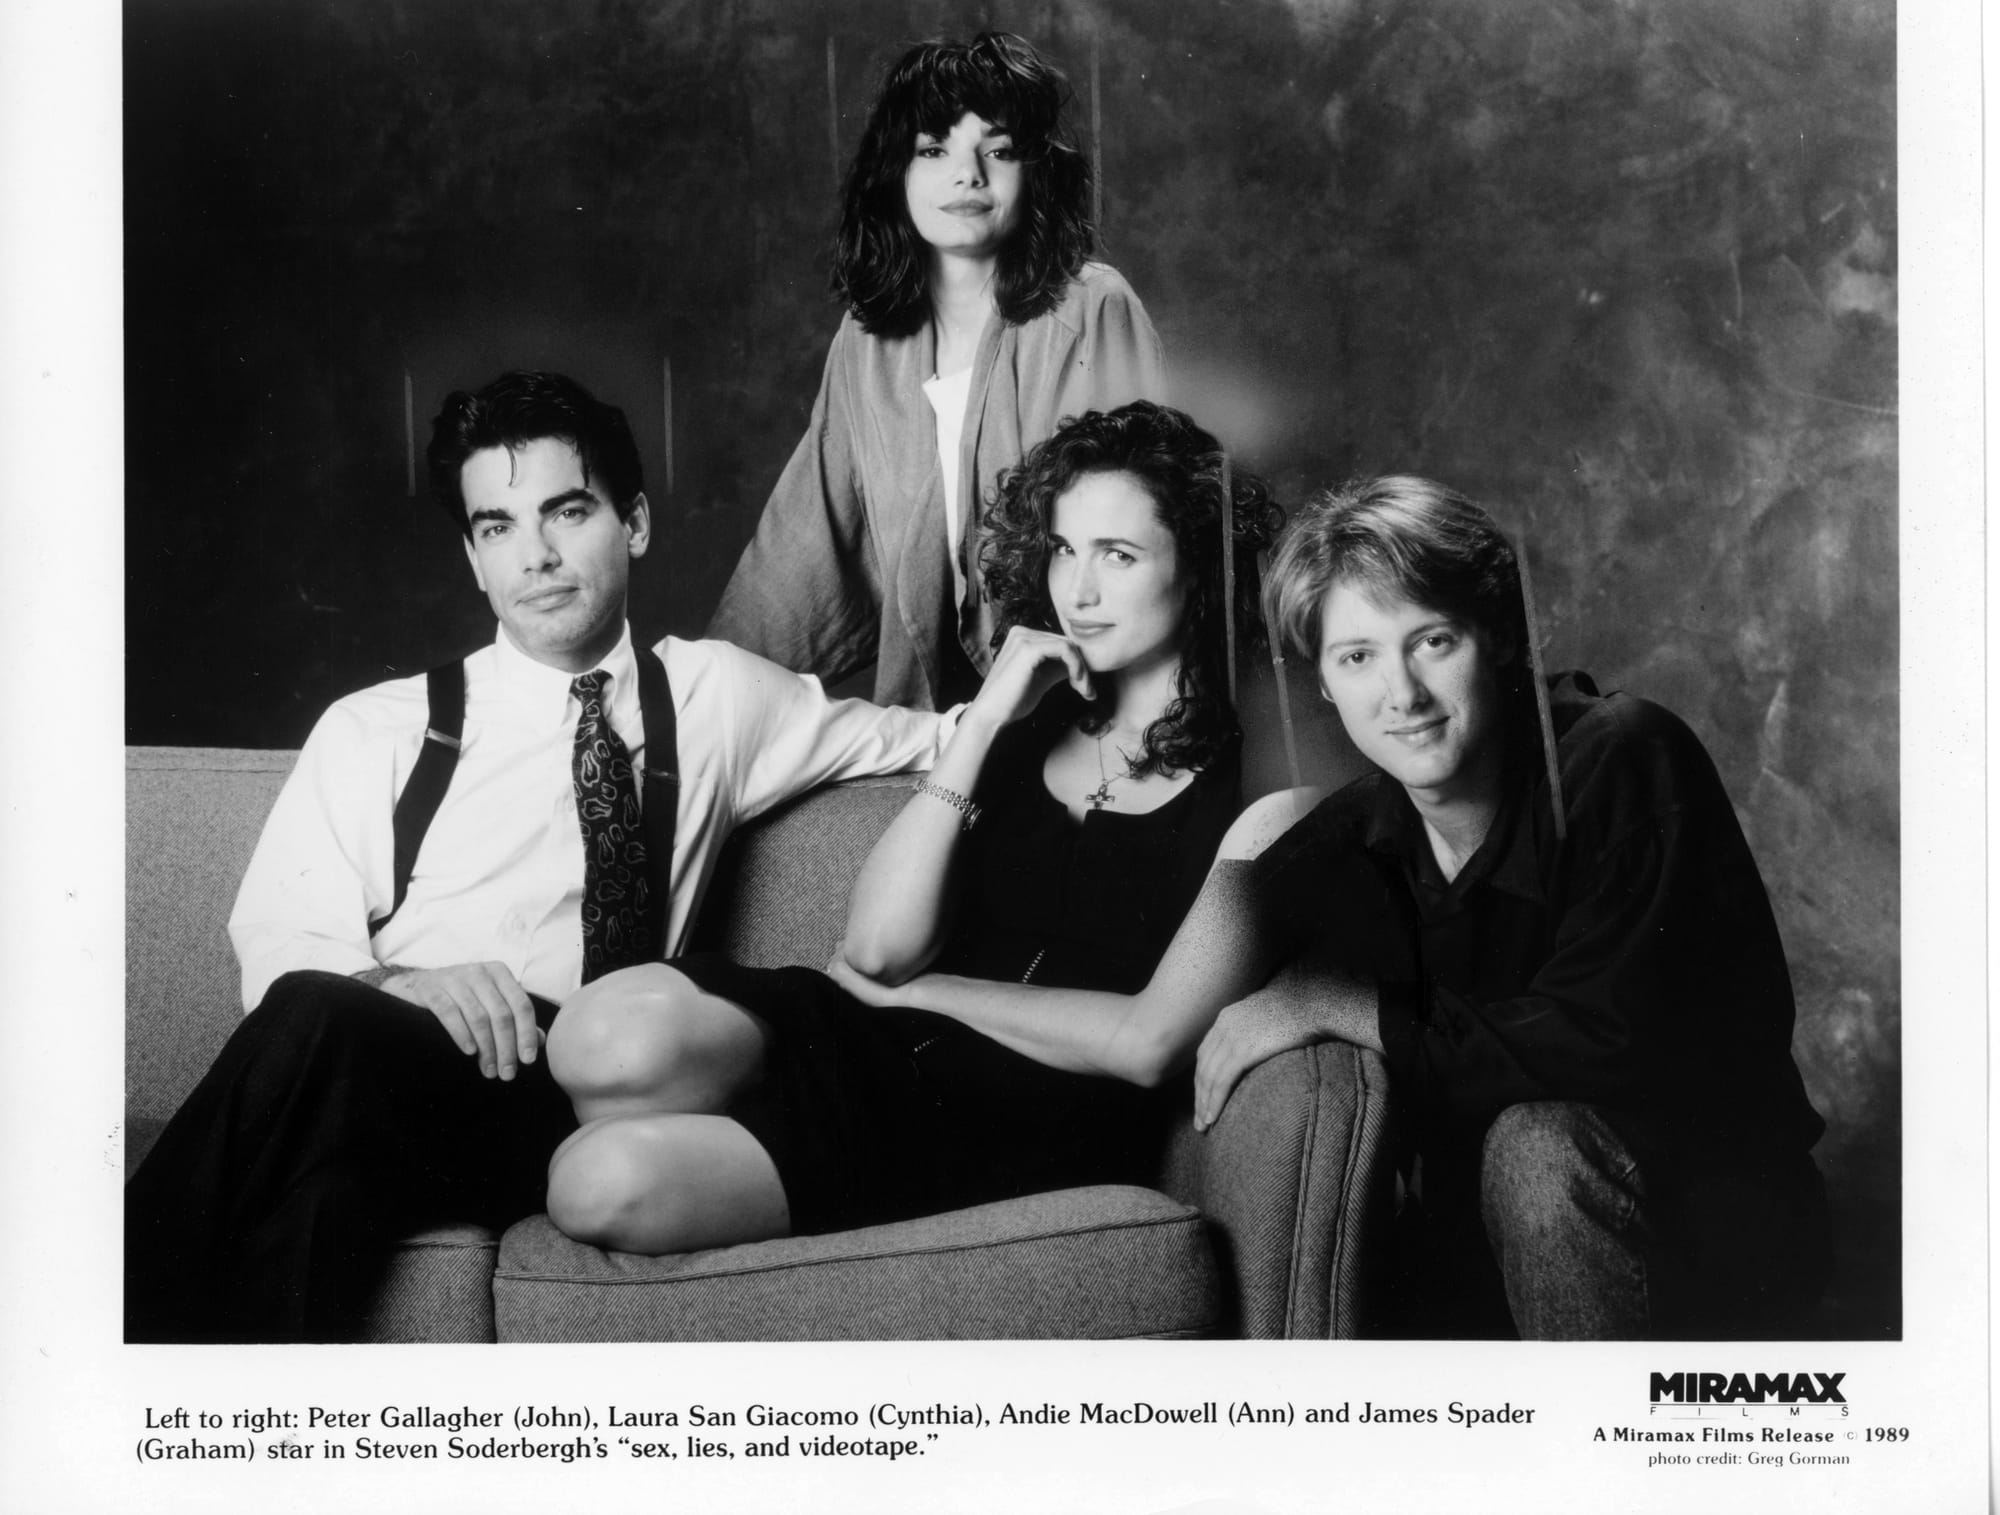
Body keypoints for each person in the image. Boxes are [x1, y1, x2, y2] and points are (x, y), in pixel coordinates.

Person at [858, 473, 1829, 1339]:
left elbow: (1603, 1037)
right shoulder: (1346, 834)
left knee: (1531, 1147)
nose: (1400, 692)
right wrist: (909, 994)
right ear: (1320, 682)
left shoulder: (1622, 752)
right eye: (1356, 657)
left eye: (1431, 642)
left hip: (1713, 1242)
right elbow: (1145, 1033)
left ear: (1493, 639)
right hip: (1484, 1278)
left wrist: (1336, 1005)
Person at [123, 370, 961, 1343]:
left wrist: (1106, 702)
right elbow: (279, 942)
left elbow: (926, 739)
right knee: (320, 1169)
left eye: (566, 512)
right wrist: (402, 985)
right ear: (474, 560)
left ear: (633, 523)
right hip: (398, 1065)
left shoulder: (716, 696)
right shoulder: (378, 729)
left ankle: (89, 1342)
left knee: (323, 1070)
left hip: (584, 1095)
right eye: (498, 528)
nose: (537, 556)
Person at [543, 401, 1278, 1249]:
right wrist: (988, 717)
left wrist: (927, 995)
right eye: (1066, 550)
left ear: (1198, 566)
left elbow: (1146, 1043)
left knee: (593, 1183)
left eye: (1119, 555)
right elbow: (876, 953)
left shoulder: (1255, 793)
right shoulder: (1021, 731)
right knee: (596, 1035)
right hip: (863, 1035)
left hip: (993, 1121)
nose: (1077, 591)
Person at [707, 31, 1166, 712]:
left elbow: (1156, 535)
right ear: (895, 172)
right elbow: (808, 536)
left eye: (999, 150)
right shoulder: (867, 340)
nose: (968, 174)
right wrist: (705, 688)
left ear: (1035, 170)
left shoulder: (1093, 307)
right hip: (933, 720)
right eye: (933, 149)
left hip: (1080, 704)